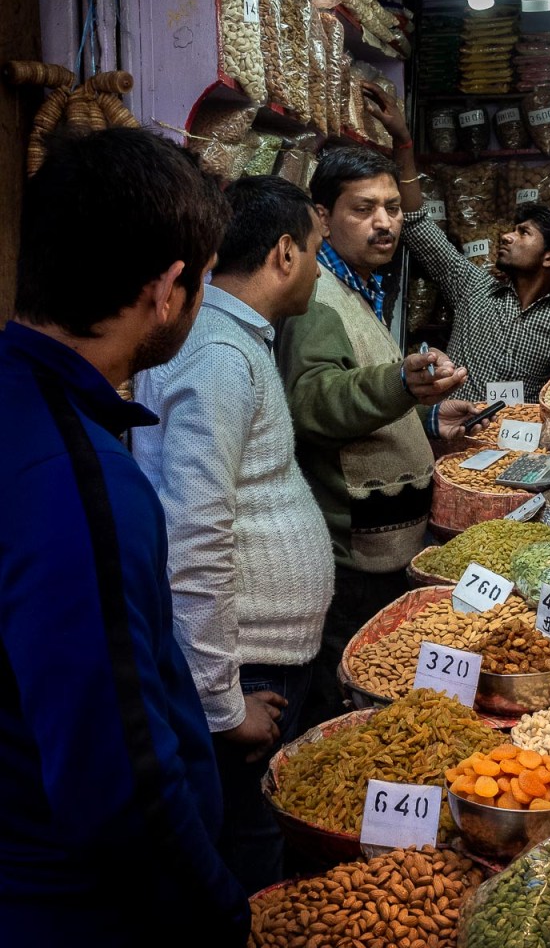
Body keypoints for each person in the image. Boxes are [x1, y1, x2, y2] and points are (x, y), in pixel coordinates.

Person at [0, 128, 250, 947]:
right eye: (205, 281)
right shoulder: (76, 480)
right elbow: (115, 782)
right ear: (168, 290)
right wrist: (221, 910)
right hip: (77, 910)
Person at [133, 176, 335, 894]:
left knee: (265, 833)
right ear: (284, 252)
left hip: (263, 657)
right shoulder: (218, 355)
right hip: (246, 668)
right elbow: (193, 535)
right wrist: (222, 703)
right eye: (316, 250)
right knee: (247, 847)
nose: (320, 266)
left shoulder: (235, 340)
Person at [277, 147, 487, 726]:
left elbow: (358, 395)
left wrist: (425, 420)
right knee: (354, 701)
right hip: (352, 558)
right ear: (321, 218)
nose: (386, 223)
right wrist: (401, 383)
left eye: (393, 208)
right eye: (363, 209)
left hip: (386, 548)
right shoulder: (316, 298)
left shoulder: (361, 288)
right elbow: (315, 403)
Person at [363, 83, 550, 404]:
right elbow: (415, 218)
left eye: (524, 233)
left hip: (521, 442)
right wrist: (403, 141)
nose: (506, 236)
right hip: (454, 432)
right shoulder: (472, 286)